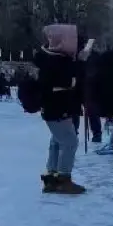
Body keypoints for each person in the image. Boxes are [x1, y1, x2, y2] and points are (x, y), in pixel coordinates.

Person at [34, 24, 86, 194]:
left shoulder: (51, 59)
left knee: (57, 141)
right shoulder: (57, 61)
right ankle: (64, 178)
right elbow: (69, 81)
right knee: (70, 142)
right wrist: (81, 63)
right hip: (58, 107)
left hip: (54, 107)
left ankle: (52, 176)